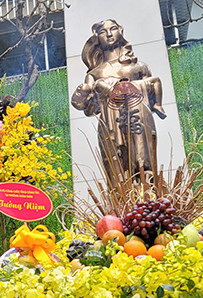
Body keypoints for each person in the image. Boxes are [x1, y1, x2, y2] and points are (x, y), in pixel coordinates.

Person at [71, 19, 165, 180]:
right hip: (110, 125)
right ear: (96, 38)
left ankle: (147, 185)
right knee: (117, 173)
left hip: (138, 119)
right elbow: (86, 107)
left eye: (113, 29)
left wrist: (125, 88)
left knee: (144, 169)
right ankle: (121, 200)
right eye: (102, 31)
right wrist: (83, 92)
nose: (108, 34)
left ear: (120, 31)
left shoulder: (138, 66)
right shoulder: (94, 74)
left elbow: (153, 88)